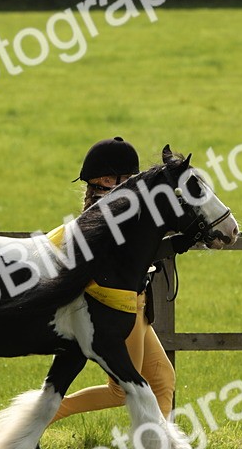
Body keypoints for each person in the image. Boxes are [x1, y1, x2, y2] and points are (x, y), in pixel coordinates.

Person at [48, 136, 177, 428]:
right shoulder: (105, 218)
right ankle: (43, 415)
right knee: (119, 391)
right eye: (129, 178)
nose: (135, 184)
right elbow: (133, 256)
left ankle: (161, 448)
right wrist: (173, 245)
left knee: (162, 379)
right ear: (109, 179)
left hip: (138, 307)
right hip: (120, 309)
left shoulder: (118, 211)